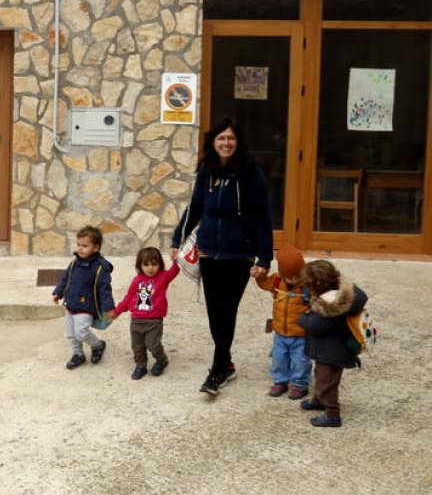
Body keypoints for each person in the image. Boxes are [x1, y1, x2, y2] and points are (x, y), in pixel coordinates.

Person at [170, 116, 274, 396]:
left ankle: (217, 370)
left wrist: (265, 258)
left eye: (230, 138)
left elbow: (263, 218)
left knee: (227, 311)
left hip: (239, 255)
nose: (226, 143)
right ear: (213, 142)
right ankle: (225, 363)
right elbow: (195, 207)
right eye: (220, 139)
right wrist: (178, 237)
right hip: (208, 252)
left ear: (237, 142)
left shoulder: (252, 174)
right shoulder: (207, 170)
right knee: (215, 312)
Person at [297, 259, 368, 428]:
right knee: (321, 376)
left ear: (316, 286)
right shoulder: (342, 294)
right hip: (330, 350)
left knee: (326, 383)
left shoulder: (330, 307)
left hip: (331, 352)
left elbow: (314, 325)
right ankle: (318, 400)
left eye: (309, 286)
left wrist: (303, 317)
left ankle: (332, 414)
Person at [250, 245, 312, 399]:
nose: (295, 280)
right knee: (279, 358)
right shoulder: (277, 280)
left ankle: (299, 384)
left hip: (301, 333)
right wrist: (259, 275)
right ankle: (280, 381)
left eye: (299, 276)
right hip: (280, 331)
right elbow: (264, 283)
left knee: (301, 360)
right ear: (283, 274)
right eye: (291, 277)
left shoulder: (308, 286)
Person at [111, 247, 180, 380]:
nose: (150, 268)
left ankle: (162, 360)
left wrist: (176, 259)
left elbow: (175, 270)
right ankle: (141, 365)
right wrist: (117, 311)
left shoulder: (163, 277)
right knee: (137, 346)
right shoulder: (137, 281)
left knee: (152, 344)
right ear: (139, 265)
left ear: (160, 264)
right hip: (136, 320)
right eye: (146, 264)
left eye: (154, 264)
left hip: (154, 321)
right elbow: (128, 298)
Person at [51, 225, 115, 370]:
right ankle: (78, 354)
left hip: (87, 306)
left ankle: (98, 345)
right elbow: (65, 278)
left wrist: (109, 307)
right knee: (71, 334)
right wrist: (58, 292)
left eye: (84, 246)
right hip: (70, 303)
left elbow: (105, 289)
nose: (80, 249)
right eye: (79, 245)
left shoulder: (100, 267)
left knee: (81, 332)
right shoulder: (74, 262)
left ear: (96, 247)